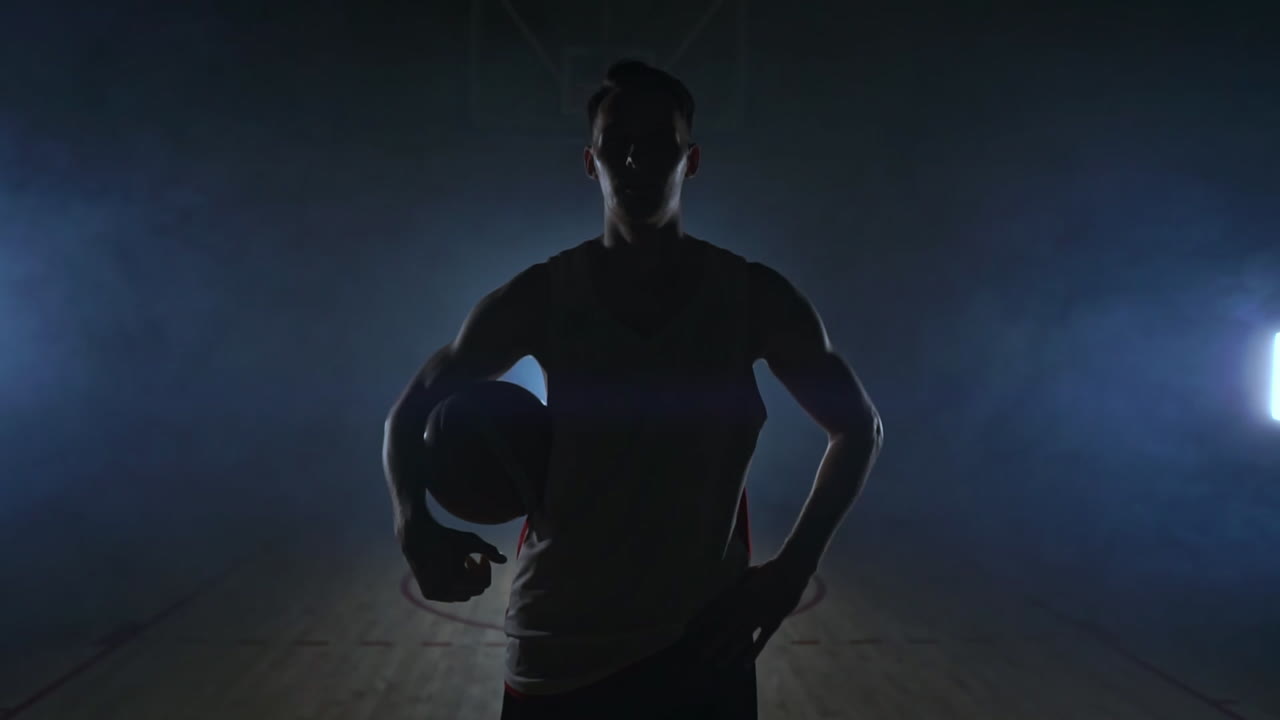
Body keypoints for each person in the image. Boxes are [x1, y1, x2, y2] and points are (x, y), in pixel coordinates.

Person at [382, 60, 884, 719]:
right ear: (591, 161)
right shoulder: (542, 296)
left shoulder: (752, 298)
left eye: (660, 140)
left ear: (691, 158)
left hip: (702, 644)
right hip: (557, 646)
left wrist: (791, 573)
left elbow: (858, 427)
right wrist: (413, 521)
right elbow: (411, 408)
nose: (637, 154)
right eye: (618, 139)